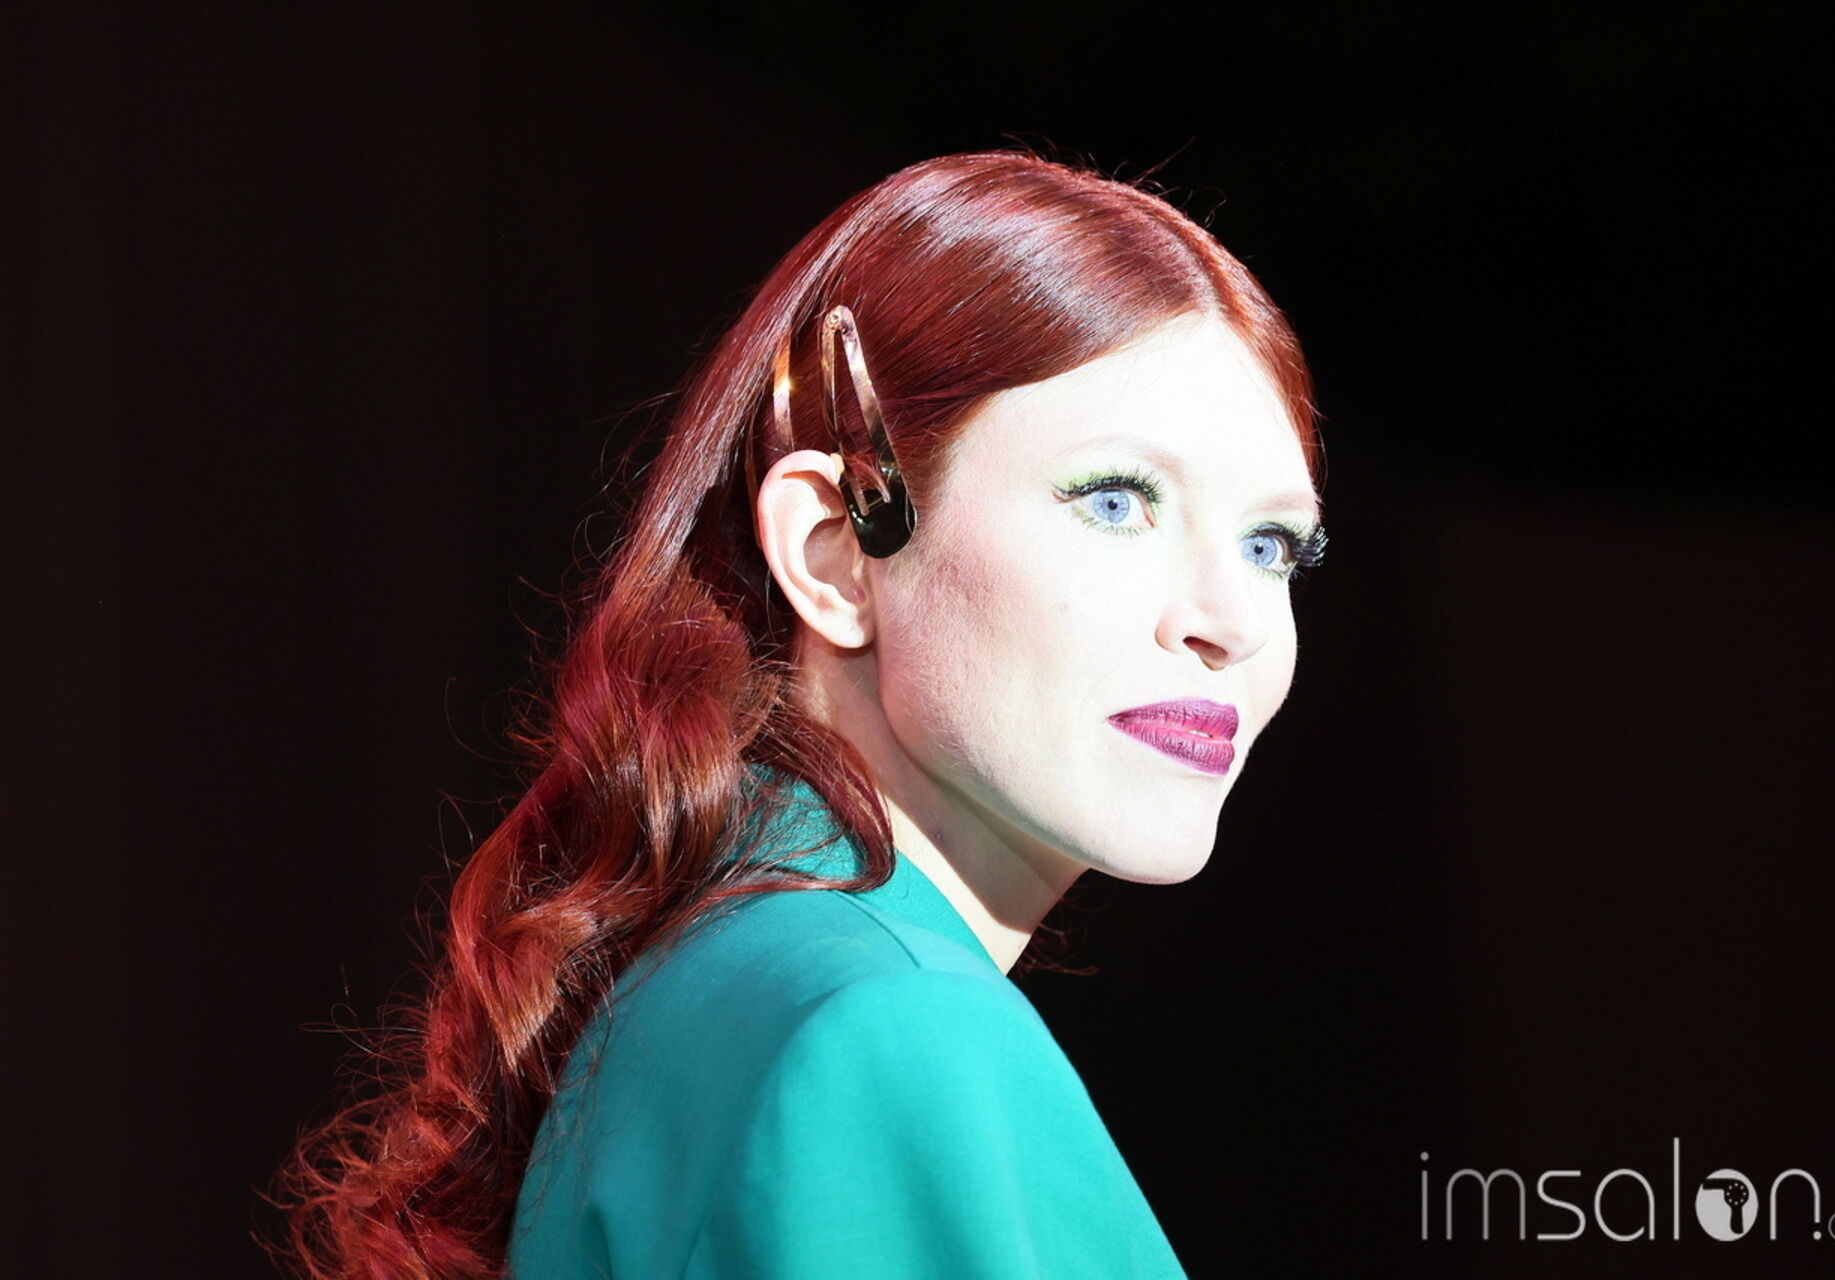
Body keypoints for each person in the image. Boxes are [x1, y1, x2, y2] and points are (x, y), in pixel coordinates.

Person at [274, 149, 1324, 1279]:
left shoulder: (711, 989)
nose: (1232, 621)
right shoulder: (888, 1025)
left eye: (1271, 545)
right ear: (835, 550)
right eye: (1116, 500)